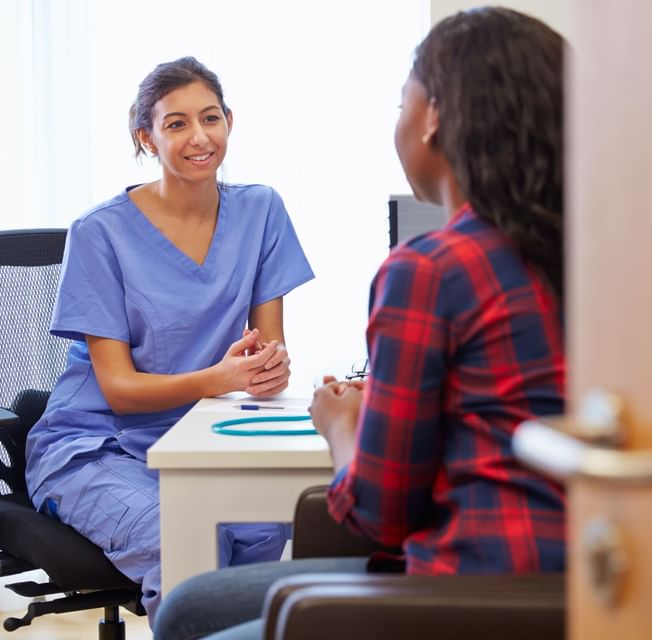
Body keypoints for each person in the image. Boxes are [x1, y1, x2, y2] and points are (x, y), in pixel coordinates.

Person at [153, 8, 566, 639]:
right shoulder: (590, 259)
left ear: (432, 118)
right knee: (190, 607)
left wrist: (343, 424)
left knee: (188, 617)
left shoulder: (429, 270)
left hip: (466, 587)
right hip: (576, 579)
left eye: (405, 99)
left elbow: (381, 512)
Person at [24, 56, 314, 624]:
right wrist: (220, 378)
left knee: (263, 523)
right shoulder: (100, 233)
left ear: (230, 120)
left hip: (203, 437)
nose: (199, 136)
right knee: (182, 539)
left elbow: (264, 352)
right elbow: (120, 389)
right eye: (176, 123)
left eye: (210, 117)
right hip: (93, 446)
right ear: (146, 137)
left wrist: (267, 369)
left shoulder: (261, 210)